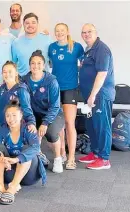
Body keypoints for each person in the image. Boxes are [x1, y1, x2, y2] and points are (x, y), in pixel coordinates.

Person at [0, 100, 46, 205]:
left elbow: (35, 147)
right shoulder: (2, 129)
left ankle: (12, 188)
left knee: (27, 148)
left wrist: (16, 159)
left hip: (29, 175)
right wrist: (0, 158)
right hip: (9, 171)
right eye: (8, 116)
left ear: (21, 116)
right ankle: (0, 187)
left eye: (14, 115)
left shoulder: (28, 129)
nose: (11, 119)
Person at [78, 23, 115, 170]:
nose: (86, 34)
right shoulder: (89, 50)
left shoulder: (102, 49)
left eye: (89, 31)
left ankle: (104, 158)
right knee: (91, 125)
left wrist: (93, 95)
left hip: (100, 95)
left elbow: (102, 74)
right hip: (89, 96)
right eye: (84, 32)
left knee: (102, 126)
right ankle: (95, 153)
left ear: (96, 32)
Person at [48, 23, 84, 170]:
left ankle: (71, 158)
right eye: (57, 31)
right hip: (56, 88)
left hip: (71, 88)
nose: (59, 33)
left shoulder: (76, 47)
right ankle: (62, 153)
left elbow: (84, 64)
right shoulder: (52, 47)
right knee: (59, 124)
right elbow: (50, 64)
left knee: (69, 122)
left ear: (67, 31)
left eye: (62, 30)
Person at [22, 50, 65, 173]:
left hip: (53, 114)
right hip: (34, 115)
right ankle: (39, 155)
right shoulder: (24, 80)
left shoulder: (51, 81)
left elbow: (55, 106)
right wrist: (30, 121)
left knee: (51, 133)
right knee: (26, 132)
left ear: (44, 65)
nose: (36, 66)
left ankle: (57, 158)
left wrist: (45, 123)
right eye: (33, 63)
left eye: (39, 63)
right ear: (29, 65)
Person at [0, 61, 36, 130]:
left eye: (10, 72)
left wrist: (31, 123)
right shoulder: (1, 88)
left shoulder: (21, 90)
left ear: (16, 74)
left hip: (15, 129)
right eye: (4, 72)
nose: (7, 74)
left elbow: (27, 109)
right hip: (1, 128)